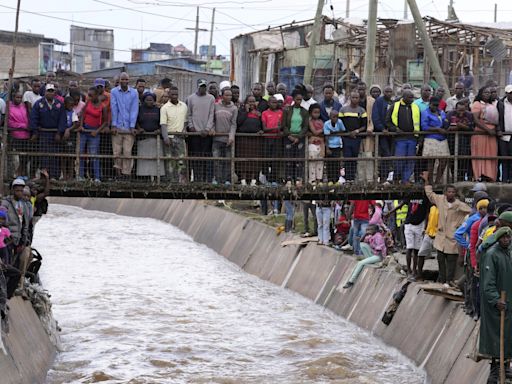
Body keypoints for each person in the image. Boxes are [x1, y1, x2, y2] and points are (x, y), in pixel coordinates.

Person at [423, 171, 471, 286]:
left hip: (452, 238)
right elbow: (430, 194)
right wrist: (426, 181)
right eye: (449, 192)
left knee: (451, 262)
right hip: (440, 237)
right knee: (440, 260)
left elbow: (470, 212)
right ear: (445, 193)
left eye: (453, 192)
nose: (451, 194)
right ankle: (442, 280)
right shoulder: (440, 200)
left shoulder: (460, 205)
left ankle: (449, 281)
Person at [479, 226, 512, 383]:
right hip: (497, 304)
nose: (506, 240)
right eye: (503, 237)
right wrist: (495, 299)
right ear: (498, 239)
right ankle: (495, 369)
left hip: (508, 302)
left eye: (508, 237)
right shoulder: (492, 255)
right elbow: (488, 284)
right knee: (497, 336)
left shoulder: (509, 253)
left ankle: (505, 365)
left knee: (507, 335)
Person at [30, 83, 65, 179]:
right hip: (43, 133)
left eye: (51, 91)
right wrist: (35, 131)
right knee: (44, 155)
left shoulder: (59, 104)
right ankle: (44, 176)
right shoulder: (39, 104)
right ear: (44, 92)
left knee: (55, 155)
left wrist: (59, 132)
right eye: (48, 91)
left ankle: (54, 176)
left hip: (55, 134)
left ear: (54, 92)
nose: (50, 93)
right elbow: (34, 118)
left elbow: (63, 119)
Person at [385, 90, 420, 184]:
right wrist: (395, 129)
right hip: (400, 138)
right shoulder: (395, 106)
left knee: (410, 160)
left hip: (412, 138)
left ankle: (405, 179)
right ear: (403, 97)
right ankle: (396, 178)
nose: (412, 99)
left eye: (412, 97)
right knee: (399, 160)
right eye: (410, 97)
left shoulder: (415, 107)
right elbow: (387, 121)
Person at [110, 72, 139, 179]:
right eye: (122, 79)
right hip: (117, 126)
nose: (124, 81)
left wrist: (132, 125)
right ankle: (118, 174)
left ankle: (126, 174)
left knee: (127, 152)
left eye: (126, 80)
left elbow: (134, 110)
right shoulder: (114, 92)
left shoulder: (134, 93)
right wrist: (113, 125)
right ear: (119, 80)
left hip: (128, 127)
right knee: (116, 151)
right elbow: (114, 108)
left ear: (129, 80)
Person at [186, 79, 215, 182]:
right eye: (201, 86)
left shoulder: (211, 98)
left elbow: (212, 115)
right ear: (197, 86)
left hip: (206, 133)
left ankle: (205, 179)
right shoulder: (190, 98)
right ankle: (197, 178)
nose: (202, 88)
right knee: (195, 156)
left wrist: (207, 129)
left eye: (204, 86)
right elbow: (189, 114)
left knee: (206, 157)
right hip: (194, 133)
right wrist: (191, 126)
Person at [343, 224, 387, 288]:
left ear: (376, 230)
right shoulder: (371, 236)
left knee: (360, 263)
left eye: (370, 230)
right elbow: (361, 241)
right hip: (374, 254)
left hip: (379, 256)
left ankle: (351, 281)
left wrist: (380, 258)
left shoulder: (378, 236)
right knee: (362, 244)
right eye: (368, 230)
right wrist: (365, 234)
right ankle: (370, 259)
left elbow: (379, 248)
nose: (369, 231)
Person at [160, 86, 188, 183]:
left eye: (176, 94)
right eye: (172, 94)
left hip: (180, 138)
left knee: (181, 160)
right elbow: (163, 124)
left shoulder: (184, 106)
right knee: (169, 160)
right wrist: (165, 137)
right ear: (169, 95)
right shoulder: (164, 108)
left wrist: (184, 130)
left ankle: (180, 181)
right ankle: (171, 181)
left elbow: (185, 122)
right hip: (169, 137)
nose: (174, 96)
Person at [471, 86, 499, 182]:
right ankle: (479, 175)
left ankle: (490, 175)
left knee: (491, 154)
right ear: (480, 94)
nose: (487, 94)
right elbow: (476, 120)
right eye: (485, 92)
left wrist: (493, 130)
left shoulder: (493, 104)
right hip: (480, 133)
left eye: (489, 93)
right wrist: (487, 130)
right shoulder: (477, 104)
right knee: (480, 154)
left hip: (491, 134)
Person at [420, 96, 449, 184]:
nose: (435, 107)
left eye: (437, 105)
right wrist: (437, 129)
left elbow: (445, 121)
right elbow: (424, 127)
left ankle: (438, 180)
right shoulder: (425, 113)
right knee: (431, 161)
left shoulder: (441, 112)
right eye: (434, 105)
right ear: (430, 104)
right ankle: (431, 181)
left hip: (442, 138)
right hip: (431, 138)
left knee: (443, 161)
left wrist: (446, 125)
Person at [339, 91, 367, 181]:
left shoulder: (362, 111)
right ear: (350, 98)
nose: (355, 99)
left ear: (359, 99)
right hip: (346, 138)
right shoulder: (343, 110)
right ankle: (347, 178)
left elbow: (364, 125)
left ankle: (353, 178)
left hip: (356, 138)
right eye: (353, 97)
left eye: (357, 98)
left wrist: (357, 131)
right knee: (347, 158)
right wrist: (347, 133)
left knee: (354, 158)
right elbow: (340, 124)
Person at [135, 92, 164, 179]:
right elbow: (135, 121)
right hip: (143, 138)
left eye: (151, 100)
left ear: (154, 100)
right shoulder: (139, 109)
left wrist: (159, 129)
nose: (149, 101)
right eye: (147, 100)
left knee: (156, 160)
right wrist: (139, 128)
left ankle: (156, 178)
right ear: (144, 100)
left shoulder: (158, 110)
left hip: (156, 139)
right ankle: (144, 178)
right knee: (144, 160)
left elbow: (162, 122)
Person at [282, 89, 308, 183]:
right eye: (297, 99)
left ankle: (298, 178)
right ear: (293, 99)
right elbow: (283, 125)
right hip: (289, 137)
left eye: (300, 100)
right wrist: (289, 135)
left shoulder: (305, 111)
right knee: (288, 158)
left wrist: (298, 137)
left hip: (300, 138)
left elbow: (305, 127)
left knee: (299, 159)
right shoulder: (287, 110)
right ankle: (288, 178)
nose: (299, 101)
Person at [212, 88, 237, 184]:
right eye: (226, 95)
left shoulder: (234, 108)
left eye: (230, 95)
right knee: (217, 160)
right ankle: (218, 179)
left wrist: (231, 136)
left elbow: (233, 124)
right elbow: (212, 119)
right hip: (217, 138)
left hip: (228, 139)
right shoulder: (216, 106)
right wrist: (212, 129)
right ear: (222, 96)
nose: (229, 97)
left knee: (228, 161)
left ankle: (227, 180)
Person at [236, 94, 262, 186]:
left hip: (255, 140)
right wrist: (246, 111)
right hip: (243, 140)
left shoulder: (258, 113)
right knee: (243, 160)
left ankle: (253, 180)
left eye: (253, 101)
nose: (252, 103)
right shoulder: (241, 111)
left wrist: (260, 131)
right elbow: (239, 122)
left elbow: (261, 125)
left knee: (254, 161)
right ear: (246, 102)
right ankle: (243, 180)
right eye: (249, 101)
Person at [372, 85, 394, 183]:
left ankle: (386, 177)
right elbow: (375, 117)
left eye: (390, 92)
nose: (388, 94)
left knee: (390, 155)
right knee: (385, 154)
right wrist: (382, 129)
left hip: (391, 133)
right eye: (386, 92)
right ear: (383, 92)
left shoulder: (393, 102)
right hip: (382, 133)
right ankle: (382, 177)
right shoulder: (379, 101)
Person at [447, 101, 474, 181]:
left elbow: (471, 128)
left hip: (465, 141)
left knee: (464, 161)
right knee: (452, 160)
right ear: (455, 109)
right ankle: (453, 178)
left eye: (463, 110)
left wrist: (461, 126)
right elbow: (446, 127)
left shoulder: (469, 115)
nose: (461, 112)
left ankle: (461, 179)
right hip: (452, 141)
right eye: (459, 110)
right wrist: (460, 127)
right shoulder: (450, 114)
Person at [403, 198, 429, 280]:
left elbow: (427, 212)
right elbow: (403, 203)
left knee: (416, 249)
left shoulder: (425, 197)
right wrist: (391, 212)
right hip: (409, 224)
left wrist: (426, 225)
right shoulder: (410, 195)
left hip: (419, 224)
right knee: (409, 247)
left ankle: (414, 270)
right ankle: (409, 270)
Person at [8, 90, 30, 178]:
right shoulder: (9, 108)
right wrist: (23, 126)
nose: (19, 99)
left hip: (26, 135)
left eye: (20, 97)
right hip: (17, 135)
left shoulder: (24, 106)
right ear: (13, 97)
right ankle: (17, 172)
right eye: (17, 97)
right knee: (19, 155)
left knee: (26, 157)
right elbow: (10, 122)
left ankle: (22, 172)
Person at [261, 96, 283, 184]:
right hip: (267, 138)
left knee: (275, 159)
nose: (274, 104)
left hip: (277, 139)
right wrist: (275, 128)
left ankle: (274, 179)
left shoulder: (281, 113)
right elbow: (264, 128)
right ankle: (266, 177)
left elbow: (282, 126)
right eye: (272, 102)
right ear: (268, 103)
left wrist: (279, 128)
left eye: (276, 102)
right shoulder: (265, 113)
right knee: (266, 158)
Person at [58, 96, 80, 181]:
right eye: (69, 105)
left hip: (71, 137)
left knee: (71, 157)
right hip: (62, 137)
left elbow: (76, 123)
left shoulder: (73, 112)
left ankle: (70, 176)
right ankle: (63, 175)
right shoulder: (62, 112)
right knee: (63, 157)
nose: (71, 107)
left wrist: (68, 129)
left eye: (72, 105)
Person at [323, 109, 345, 183]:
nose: (335, 118)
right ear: (330, 117)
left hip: (337, 145)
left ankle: (336, 180)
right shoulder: (326, 124)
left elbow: (343, 130)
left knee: (337, 163)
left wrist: (334, 132)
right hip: (330, 146)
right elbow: (326, 136)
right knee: (329, 164)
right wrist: (327, 148)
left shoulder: (340, 122)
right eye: (333, 117)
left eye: (336, 117)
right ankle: (330, 180)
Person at [497, 84, 512, 183]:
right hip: (504, 136)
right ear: (506, 93)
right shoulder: (501, 103)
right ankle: (504, 179)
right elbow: (497, 118)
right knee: (504, 159)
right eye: (510, 93)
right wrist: (499, 129)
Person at [308, 103, 324, 184]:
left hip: (320, 145)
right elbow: (314, 131)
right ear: (311, 113)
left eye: (318, 112)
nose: (317, 114)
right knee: (312, 163)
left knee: (320, 163)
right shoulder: (310, 121)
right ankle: (312, 180)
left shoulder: (321, 121)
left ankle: (319, 179)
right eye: (315, 112)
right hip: (312, 145)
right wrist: (323, 129)